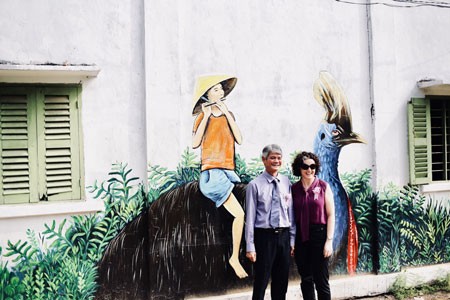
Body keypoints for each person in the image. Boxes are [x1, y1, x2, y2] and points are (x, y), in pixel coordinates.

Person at [192, 74, 248, 279]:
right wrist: (206, 116)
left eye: (221, 89)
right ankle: (234, 257)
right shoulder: (202, 117)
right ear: (206, 95)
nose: (220, 92)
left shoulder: (228, 114)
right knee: (239, 214)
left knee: (238, 215)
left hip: (226, 170)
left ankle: (234, 256)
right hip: (212, 173)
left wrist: (226, 114)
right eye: (215, 89)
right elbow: (195, 143)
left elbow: (239, 139)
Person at [245, 144, 296, 300]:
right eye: (272, 157)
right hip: (264, 238)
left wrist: (292, 240)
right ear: (264, 160)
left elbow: (291, 213)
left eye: (279, 158)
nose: (276, 161)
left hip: (284, 236)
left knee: (281, 282)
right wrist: (250, 246)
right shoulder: (254, 185)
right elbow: (250, 218)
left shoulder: (286, 182)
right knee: (261, 280)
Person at [291, 151, 335, 300]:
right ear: (299, 168)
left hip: (319, 235)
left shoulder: (323, 186)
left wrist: (329, 241)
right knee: (306, 279)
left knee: (321, 279)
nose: (309, 170)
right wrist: (292, 242)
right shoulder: (294, 189)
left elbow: (331, 215)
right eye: (305, 166)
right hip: (300, 236)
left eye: (312, 166)